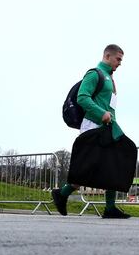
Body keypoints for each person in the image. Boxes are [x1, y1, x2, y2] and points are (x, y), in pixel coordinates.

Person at [51, 44, 131, 219]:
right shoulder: (95, 74)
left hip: (107, 127)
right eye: (118, 59)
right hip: (93, 125)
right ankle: (62, 194)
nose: (120, 63)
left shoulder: (109, 78)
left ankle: (110, 208)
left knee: (112, 165)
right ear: (107, 56)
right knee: (86, 168)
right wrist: (101, 113)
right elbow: (82, 97)